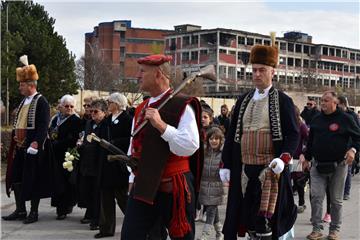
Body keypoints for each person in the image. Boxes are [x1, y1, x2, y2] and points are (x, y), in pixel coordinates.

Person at [221, 35, 300, 240]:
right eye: (254, 70)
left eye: (262, 70)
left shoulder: (283, 101)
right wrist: (226, 164)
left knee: (269, 222)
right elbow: (232, 135)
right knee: (246, 218)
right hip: (245, 169)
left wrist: (284, 158)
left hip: (270, 169)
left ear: (273, 72)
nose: (256, 74)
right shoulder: (243, 100)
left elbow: (293, 134)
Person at [120, 54, 203, 240]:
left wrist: (162, 126)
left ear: (158, 75)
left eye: (142, 72)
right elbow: (134, 146)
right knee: (130, 235)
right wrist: (132, 176)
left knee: (182, 236)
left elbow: (190, 146)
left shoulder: (182, 105)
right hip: (143, 184)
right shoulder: (141, 108)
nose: (138, 76)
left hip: (173, 187)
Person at [303, 91, 360, 240]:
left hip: (339, 166)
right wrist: (306, 159)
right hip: (317, 165)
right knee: (316, 197)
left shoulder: (345, 119)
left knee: (335, 200)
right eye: (321, 100)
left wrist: (353, 150)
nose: (323, 103)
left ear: (335, 103)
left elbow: (357, 138)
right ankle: (316, 229)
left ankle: (334, 230)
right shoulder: (316, 119)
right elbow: (310, 141)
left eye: (326, 100)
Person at [3, 55, 51, 224]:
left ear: (31, 85)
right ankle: (20, 209)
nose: (19, 87)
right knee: (16, 178)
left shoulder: (42, 101)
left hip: (32, 147)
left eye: (22, 85)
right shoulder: (24, 101)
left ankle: (34, 212)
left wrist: (36, 143)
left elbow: (44, 126)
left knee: (33, 180)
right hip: (20, 147)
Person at [95, 93, 132, 238]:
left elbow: (130, 139)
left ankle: (135, 224)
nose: (107, 104)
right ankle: (106, 229)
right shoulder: (107, 120)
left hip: (118, 164)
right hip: (106, 164)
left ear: (117, 104)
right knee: (106, 198)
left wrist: (113, 143)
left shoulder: (127, 119)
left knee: (123, 198)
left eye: (109, 101)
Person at [49, 94, 81, 220]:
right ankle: (59, 206)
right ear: (61, 107)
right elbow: (51, 131)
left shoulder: (76, 120)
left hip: (68, 155)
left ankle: (64, 208)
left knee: (67, 183)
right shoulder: (56, 118)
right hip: (55, 155)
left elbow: (74, 138)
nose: (69, 108)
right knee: (57, 181)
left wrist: (60, 143)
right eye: (66, 106)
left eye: (71, 106)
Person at [78, 99, 108, 230]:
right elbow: (86, 140)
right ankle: (90, 215)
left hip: (99, 164)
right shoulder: (89, 123)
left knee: (98, 194)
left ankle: (97, 220)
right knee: (88, 192)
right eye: (91, 111)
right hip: (87, 164)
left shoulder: (106, 125)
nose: (92, 114)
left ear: (104, 112)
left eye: (96, 111)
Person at [198, 127, 226, 240]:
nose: (213, 141)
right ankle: (220, 233)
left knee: (210, 211)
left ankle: (205, 236)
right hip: (204, 185)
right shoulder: (205, 152)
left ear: (220, 140)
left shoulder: (222, 154)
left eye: (216, 139)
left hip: (217, 186)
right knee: (212, 210)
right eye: (211, 138)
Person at [337, 95, 360, 200]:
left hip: (349, 147)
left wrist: (353, 149)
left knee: (348, 170)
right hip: (337, 147)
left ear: (342, 104)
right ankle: (337, 191)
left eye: (338, 104)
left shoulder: (352, 116)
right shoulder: (335, 115)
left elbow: (357, 132)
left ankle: (346, 192)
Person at [291, 106, 309, 214]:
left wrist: (304, 153)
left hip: (298, 158)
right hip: (286, 157)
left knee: (298, 182)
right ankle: (288, 204)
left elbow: (308, 140)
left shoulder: (301, 126)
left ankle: (301, 203)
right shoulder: (286, 125)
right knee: (286, 181)